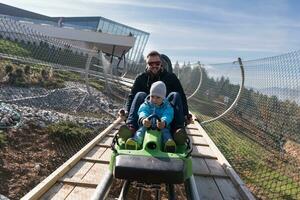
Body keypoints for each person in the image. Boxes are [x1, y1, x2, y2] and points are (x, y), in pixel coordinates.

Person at [118, 51, 191, 145]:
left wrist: (186, 114)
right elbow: (132, 96)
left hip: (165, 110)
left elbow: (181, 96)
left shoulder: (171, 77)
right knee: (140, 94)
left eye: (157, 63)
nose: (154, 66)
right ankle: (131, 128)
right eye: (151, 63)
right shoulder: (141, 78)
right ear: (147, 64)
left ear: (161, 64)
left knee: (175, 94)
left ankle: (177, 132)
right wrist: (127, 111)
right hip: (147, 111)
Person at [125, 81, 176, 152]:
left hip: (161, 126)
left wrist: (164, 122)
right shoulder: (147, 104)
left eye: (158, 97)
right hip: (148, 125)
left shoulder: (166, 106)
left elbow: (168, 114)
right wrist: (143, 119)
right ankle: (136, 142)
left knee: (166, 132)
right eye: (152, 96)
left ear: (163, 98)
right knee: (141, 130)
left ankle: (168, 144)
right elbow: (143, 111)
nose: (154, 100)